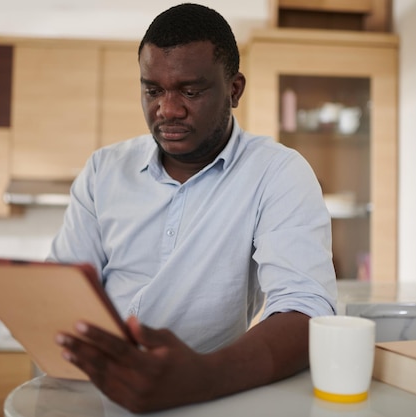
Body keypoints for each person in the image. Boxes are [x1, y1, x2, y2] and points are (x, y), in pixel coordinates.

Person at [50, 3, 337, 413]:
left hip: (208, 400)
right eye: (153, 90)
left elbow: (305, 310)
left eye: (190, 91)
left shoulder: (277, 173)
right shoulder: (104, 170)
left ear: (234, 90)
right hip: (90, 396)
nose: (168, 109)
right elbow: (61, 289)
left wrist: (202, 376)